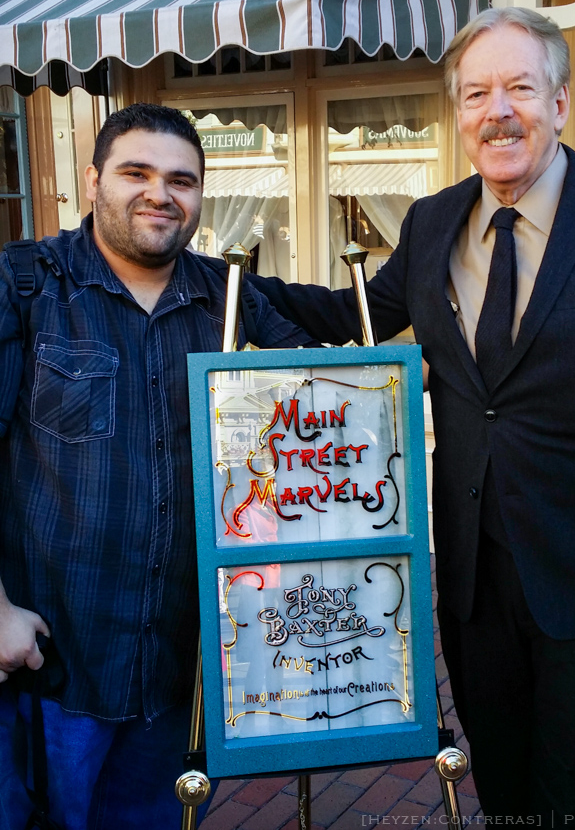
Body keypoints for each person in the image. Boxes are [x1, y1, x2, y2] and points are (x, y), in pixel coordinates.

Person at [248, 7, 575, 821]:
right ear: (458, 115)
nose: (497, 111)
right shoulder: (429, 222)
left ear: (558, 102)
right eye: (476, 93)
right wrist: (223, 287)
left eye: (519, 87)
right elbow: (352, 316)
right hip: (471, 581)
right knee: (503, 786)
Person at [0, 103, 317, 829]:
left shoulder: (229, 298)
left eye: (182, 179)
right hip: (52, 664)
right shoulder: (26, 285)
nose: (160, 193)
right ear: (92, 181)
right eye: (135, 172)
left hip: (179, 667)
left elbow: (324, 388)